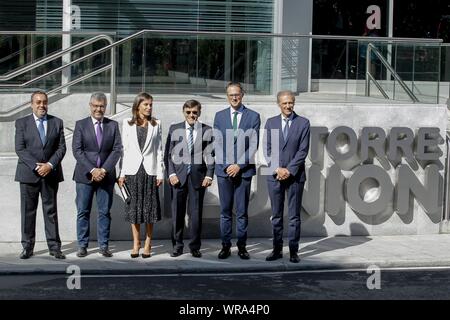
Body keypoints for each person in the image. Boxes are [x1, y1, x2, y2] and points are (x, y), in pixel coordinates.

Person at [14, 91, 66, 259]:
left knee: (51, 212)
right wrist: (37, 167)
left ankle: (54, 247)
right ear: (31, 104)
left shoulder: (56, 122)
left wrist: (50, 165)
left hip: (50, 174)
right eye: (38, 102)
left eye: (44, 102)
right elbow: (20, 149)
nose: (41, 105)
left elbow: (61, 148)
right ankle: (27, 247)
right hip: (29, 174)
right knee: (28, 212)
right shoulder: (21, 123)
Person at [213, 82, 260, 260]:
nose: (234, 97)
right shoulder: (219, 116)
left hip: (244, 171)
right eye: (231, 94)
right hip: (224, 171)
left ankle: (242, 246)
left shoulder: (253, 116)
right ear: (227, 96)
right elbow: (216, 143)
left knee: (241, 212)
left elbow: (253, 144)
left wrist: (238, 165)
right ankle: (225, 246)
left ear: (242, 95)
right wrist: (227, 165)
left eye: (237, 94)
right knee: (225, 211)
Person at [72, 92, 122, 258]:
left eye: (101, 106)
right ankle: (82, 245)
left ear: (105, 107)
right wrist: (93, 170)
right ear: (90, 106)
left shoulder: (113, 125)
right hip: (84, 176)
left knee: (104, 212)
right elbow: (77, 151)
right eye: (95, 106)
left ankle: (103, 246)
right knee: (83, 211)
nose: (98, 109)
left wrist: (103, 170)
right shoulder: (80, 124)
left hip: (106, 177)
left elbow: (117, 150)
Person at [263, 90, 310, 263]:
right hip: (274, 176)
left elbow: (303, 150)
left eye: (291, 102)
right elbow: (267, 149)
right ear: (278, 104)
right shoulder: (271, 123)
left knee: (294, 216)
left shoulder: (303, 123)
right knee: (276, 216)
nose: (288, 106)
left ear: (294, 103)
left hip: (295, 177)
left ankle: (293, 251)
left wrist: (288, 170)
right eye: (285, 103)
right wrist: (277, 169)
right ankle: (276, 250)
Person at [164, 100, 215, 258]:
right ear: (183, 112)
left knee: (195, 214)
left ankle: (194, 246)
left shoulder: (207, 130)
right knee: (177, 214)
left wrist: (209, 174)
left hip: (198, 178)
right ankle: (177, 246)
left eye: (194, 112)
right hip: (177, 178)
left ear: (199, 113)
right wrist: (171, 174)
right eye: (188, 112)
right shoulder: (175, 129)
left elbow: (211, 155)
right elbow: (168, 155)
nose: (191, 115)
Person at [118, 92, 164, 259]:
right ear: (137, 106)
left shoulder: (156, 123)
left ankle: (148, 243)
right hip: (132, 171)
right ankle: (136, 243)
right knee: (135, 209)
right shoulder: (127, 124)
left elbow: (159, 150)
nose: (149, 107)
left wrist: (160, 173)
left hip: (150, 171)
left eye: (151, 105)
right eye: (146, 105)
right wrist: (121, 173)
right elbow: (124, 150)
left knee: (150, 209)